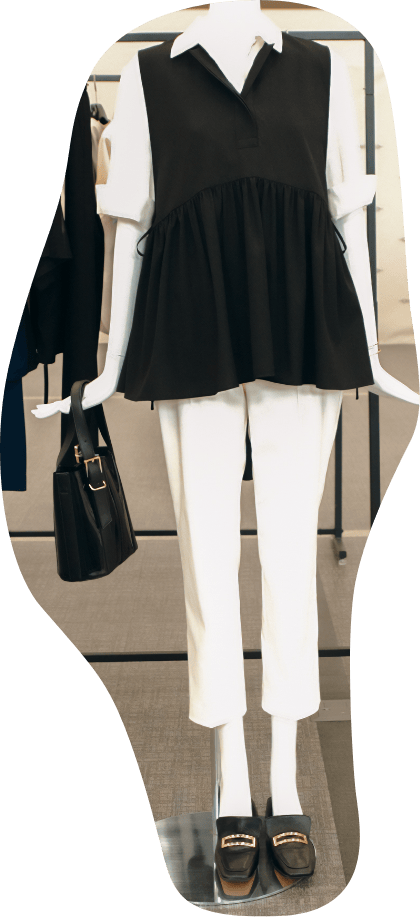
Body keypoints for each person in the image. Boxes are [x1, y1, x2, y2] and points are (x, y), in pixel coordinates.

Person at [33, 0, 419, 897]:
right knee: (207, 564)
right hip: (189, 329)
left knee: (288, 560)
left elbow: (346, 216)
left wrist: (368, 350)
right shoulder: (148, 74)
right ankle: (232, 781)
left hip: (304, 333)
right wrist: (107, 362)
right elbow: (129, 228)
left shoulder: (322, 70)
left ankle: (286, 779)